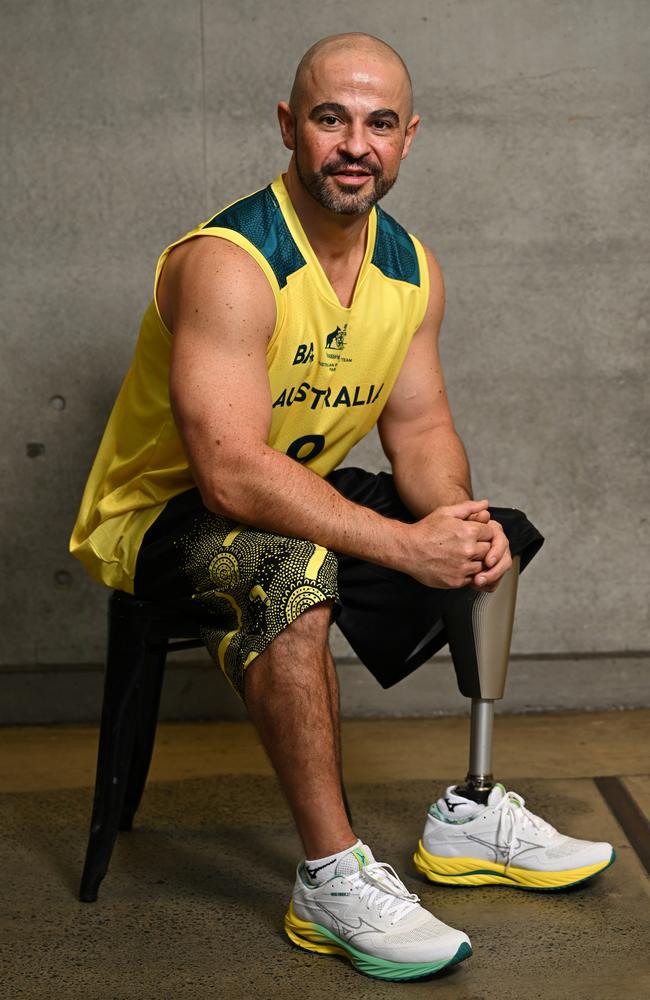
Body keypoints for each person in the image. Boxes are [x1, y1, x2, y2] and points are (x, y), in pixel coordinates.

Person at [71, 33, 614, 982]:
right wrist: (406, 549)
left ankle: (472, 812)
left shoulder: (411, 269)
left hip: (283, 487)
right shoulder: (230, 262)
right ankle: (330, 876)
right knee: (295, 569)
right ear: (290, 127)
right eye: (330, 118)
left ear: (409, 139)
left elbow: (424, 432)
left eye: (379, 123)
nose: (354, 143)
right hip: (161, 513)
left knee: (491, 534)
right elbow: (232, 476)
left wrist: (448, 525)